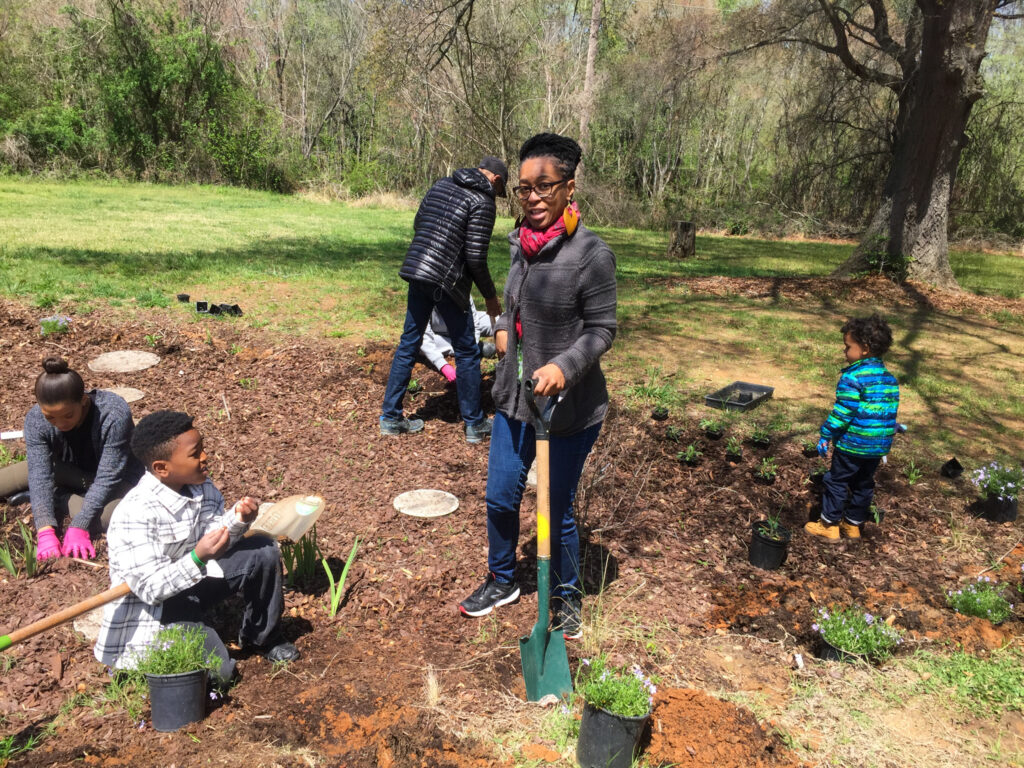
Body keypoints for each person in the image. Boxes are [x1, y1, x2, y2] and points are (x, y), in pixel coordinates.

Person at [458, 133, 617, 640]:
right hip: (514, 399)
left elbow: (601, 329)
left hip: (569, 409)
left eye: (543, 187)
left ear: (569, 187)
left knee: (556, 507)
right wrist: (503, 326)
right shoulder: (519, 243)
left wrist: (564, 368)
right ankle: (502, 579)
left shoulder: (591, 254)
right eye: (523, 188)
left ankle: (566, 597)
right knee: (501, 496)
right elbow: (512, 303)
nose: (531, 198)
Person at [94, 411, 298, 684]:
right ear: (161, 468)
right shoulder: (135, 513)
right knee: (219, 675)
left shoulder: (201, 486)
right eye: (195, 454)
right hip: (158, 607)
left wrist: (238, 520)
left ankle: (263, 636)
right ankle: (182, 640)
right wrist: (197, 557)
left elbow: (214, 533)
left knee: (263, 550)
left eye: (203, 448)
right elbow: (151, 590)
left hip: (195, 578)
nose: (204, 457)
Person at [380, 156, 508, 443]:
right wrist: (490, 298)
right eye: (499, 192)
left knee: (408, 343)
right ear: (496, 180)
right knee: (466, 350)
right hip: (446, 281)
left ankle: (390, 418)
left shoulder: (442, 184)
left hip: (418, 270)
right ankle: (475, 424)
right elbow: (476, 257)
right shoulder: (483, 201)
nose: (496, 198)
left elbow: (419, 223)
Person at [0, 357, 144, 560]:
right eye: (50, 417)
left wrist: (80, 525)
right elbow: (40, 474)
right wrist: (45, 530)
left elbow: (108, 477)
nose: (59, 423)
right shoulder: (36, 419)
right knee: (31, 471)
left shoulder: (113, 413)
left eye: (68, 415)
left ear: (83, 401)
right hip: (71, 472)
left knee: (109, 517)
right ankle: (48, 497)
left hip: (117, 479)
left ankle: (59, 497)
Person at [806, 314, 900, 542]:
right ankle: (853, 524)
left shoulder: (852, 377)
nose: (844, 351)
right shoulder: (889, 379)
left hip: (853, 445)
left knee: (836, 480)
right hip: (877, 446)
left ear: (865, 348)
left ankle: (829, 524)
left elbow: (844, 411)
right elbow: (887, 413)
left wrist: (826, 433)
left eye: (848, 347)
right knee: (864, 483)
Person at [420, 296, 498, 384]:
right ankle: (476, 346)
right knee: (419, 345)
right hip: (437, 332)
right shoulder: (424, 295)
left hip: (463, 324)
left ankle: (471, 345)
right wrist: (442, 365)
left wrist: (473, 344)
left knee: (501, 321)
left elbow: (474, 323)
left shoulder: (461, 288)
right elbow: (423, 334)